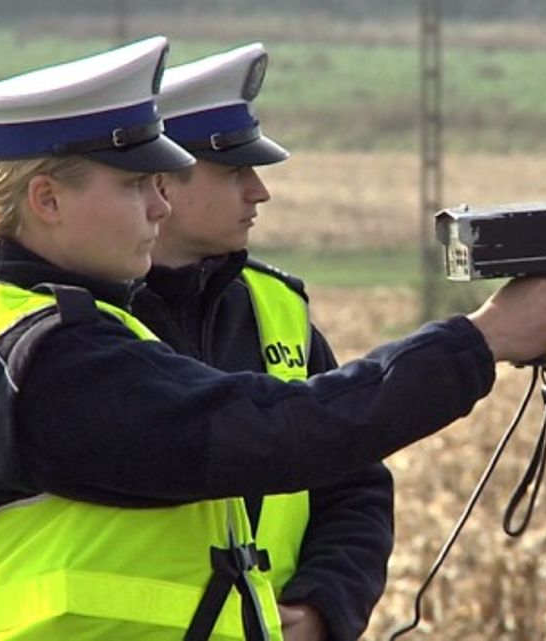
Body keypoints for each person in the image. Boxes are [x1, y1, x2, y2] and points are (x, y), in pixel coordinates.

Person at [0, 35, 546, 641]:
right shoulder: (50, 356)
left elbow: (330, 470)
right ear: (46, 200)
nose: (158, 201)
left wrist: (326, 599)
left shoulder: (48, 328)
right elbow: (273, 432)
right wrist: (478, 340)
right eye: (133, 186)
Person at [130, 43, 388, 641]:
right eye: (235, 171)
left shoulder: (278, 309)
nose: (259, 191)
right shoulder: (80, 322)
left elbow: (355, 482)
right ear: (163, 179)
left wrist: (326, 603)